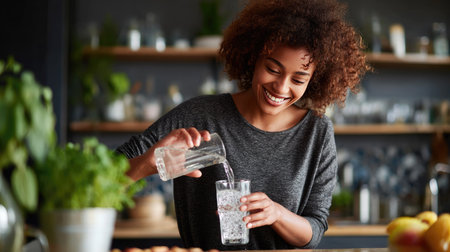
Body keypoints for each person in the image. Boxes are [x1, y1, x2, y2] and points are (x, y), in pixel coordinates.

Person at [117, 0, 369, 250]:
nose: (281, 88)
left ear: (315, 80)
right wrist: (148, 163)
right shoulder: (199, 114)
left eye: (298, 79)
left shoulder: (317, 132)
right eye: (272, 68)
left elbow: (314, 230)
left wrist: (277, 214)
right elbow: (103, 176)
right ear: (253, 57)